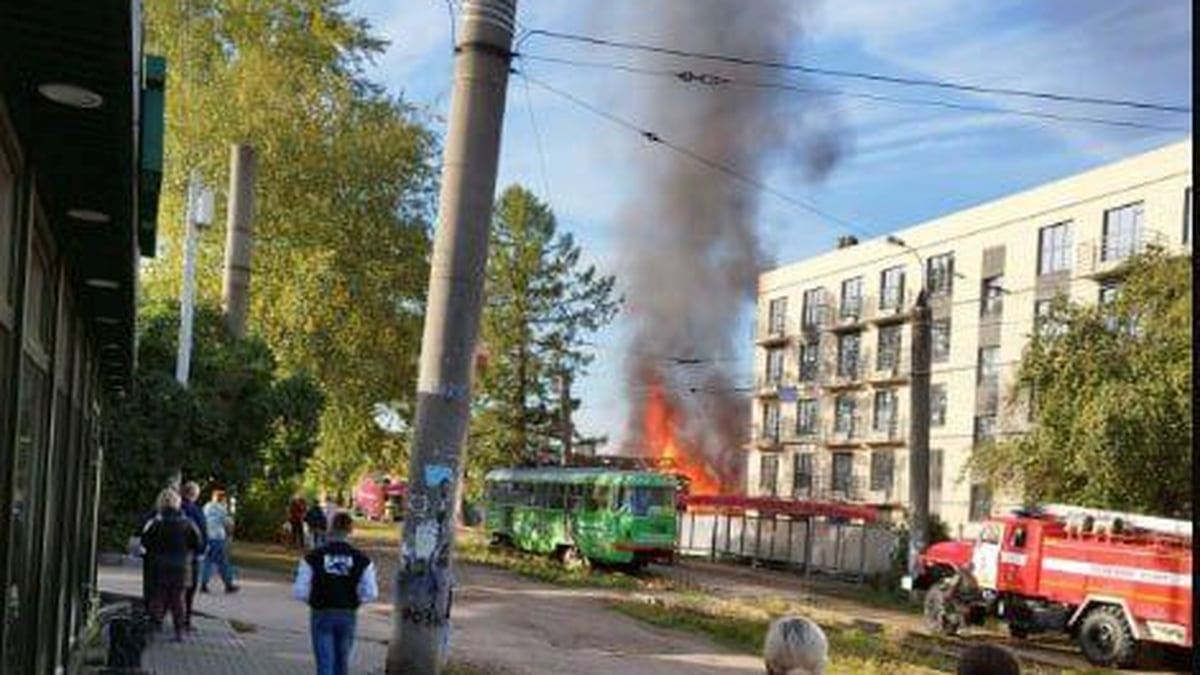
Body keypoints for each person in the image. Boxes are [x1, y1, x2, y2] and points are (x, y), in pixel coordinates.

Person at [293, 511, 378, 675]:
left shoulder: (313, 557)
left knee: (325, 663)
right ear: (350, 530)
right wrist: (356, 600)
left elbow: (300, 590)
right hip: (347, 613)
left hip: (321, 612)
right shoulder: (362, 559)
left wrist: (314, 600)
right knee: (342, 661)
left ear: (331, 529)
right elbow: (371, 592)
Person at [140, 488, 204, 642]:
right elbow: (198, 544)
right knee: (178, 600)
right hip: (181, 567)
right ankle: (179, 632)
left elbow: (145, 542)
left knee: (158, 597)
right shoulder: (188, 523)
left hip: (159, 565)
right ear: (178, 502)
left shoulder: (155, 523)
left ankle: (155, 628)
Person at [180, 481, 209, 628]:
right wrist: (202, 550)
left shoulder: (175, 507)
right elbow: (202, 532)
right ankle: (186, 619)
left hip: (174, 552)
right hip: (190, 554)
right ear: (194, 494)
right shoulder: (195, 510)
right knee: (189, 589)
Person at [201, 488, 240, 593]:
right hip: (217, 537)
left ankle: (203, 584)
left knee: (207, 561)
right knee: (223, 562)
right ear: (222, 499)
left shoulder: (206, 507)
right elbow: (228, 524)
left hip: (207, 536)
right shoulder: (221, 509)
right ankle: (228, 584)